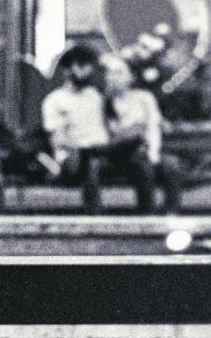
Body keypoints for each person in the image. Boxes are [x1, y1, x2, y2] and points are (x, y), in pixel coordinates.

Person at [99, 52, 181, 213]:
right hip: (120, 155)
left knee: (171, 165)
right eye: (111, 73)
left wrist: (153, 153)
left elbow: (152, 125)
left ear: (130, 77)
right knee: (143, 167)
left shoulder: (144, 98)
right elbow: (113, 133)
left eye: (119, 73)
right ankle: (147, 214)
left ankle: (172, 213)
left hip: (147, 149)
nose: (115, 78)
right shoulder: (105, 102)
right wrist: (135, 130)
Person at [40, 44, 111, 210]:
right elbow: (57, 140)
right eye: (81, 66)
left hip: (102, 152)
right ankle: (94, 213)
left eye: (88, 66)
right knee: (91, 162)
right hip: (73, 157)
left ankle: (148, 214)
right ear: (67, 70)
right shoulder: (55, 100)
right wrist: (84, 148)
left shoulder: (96, 96)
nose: (86, 71)